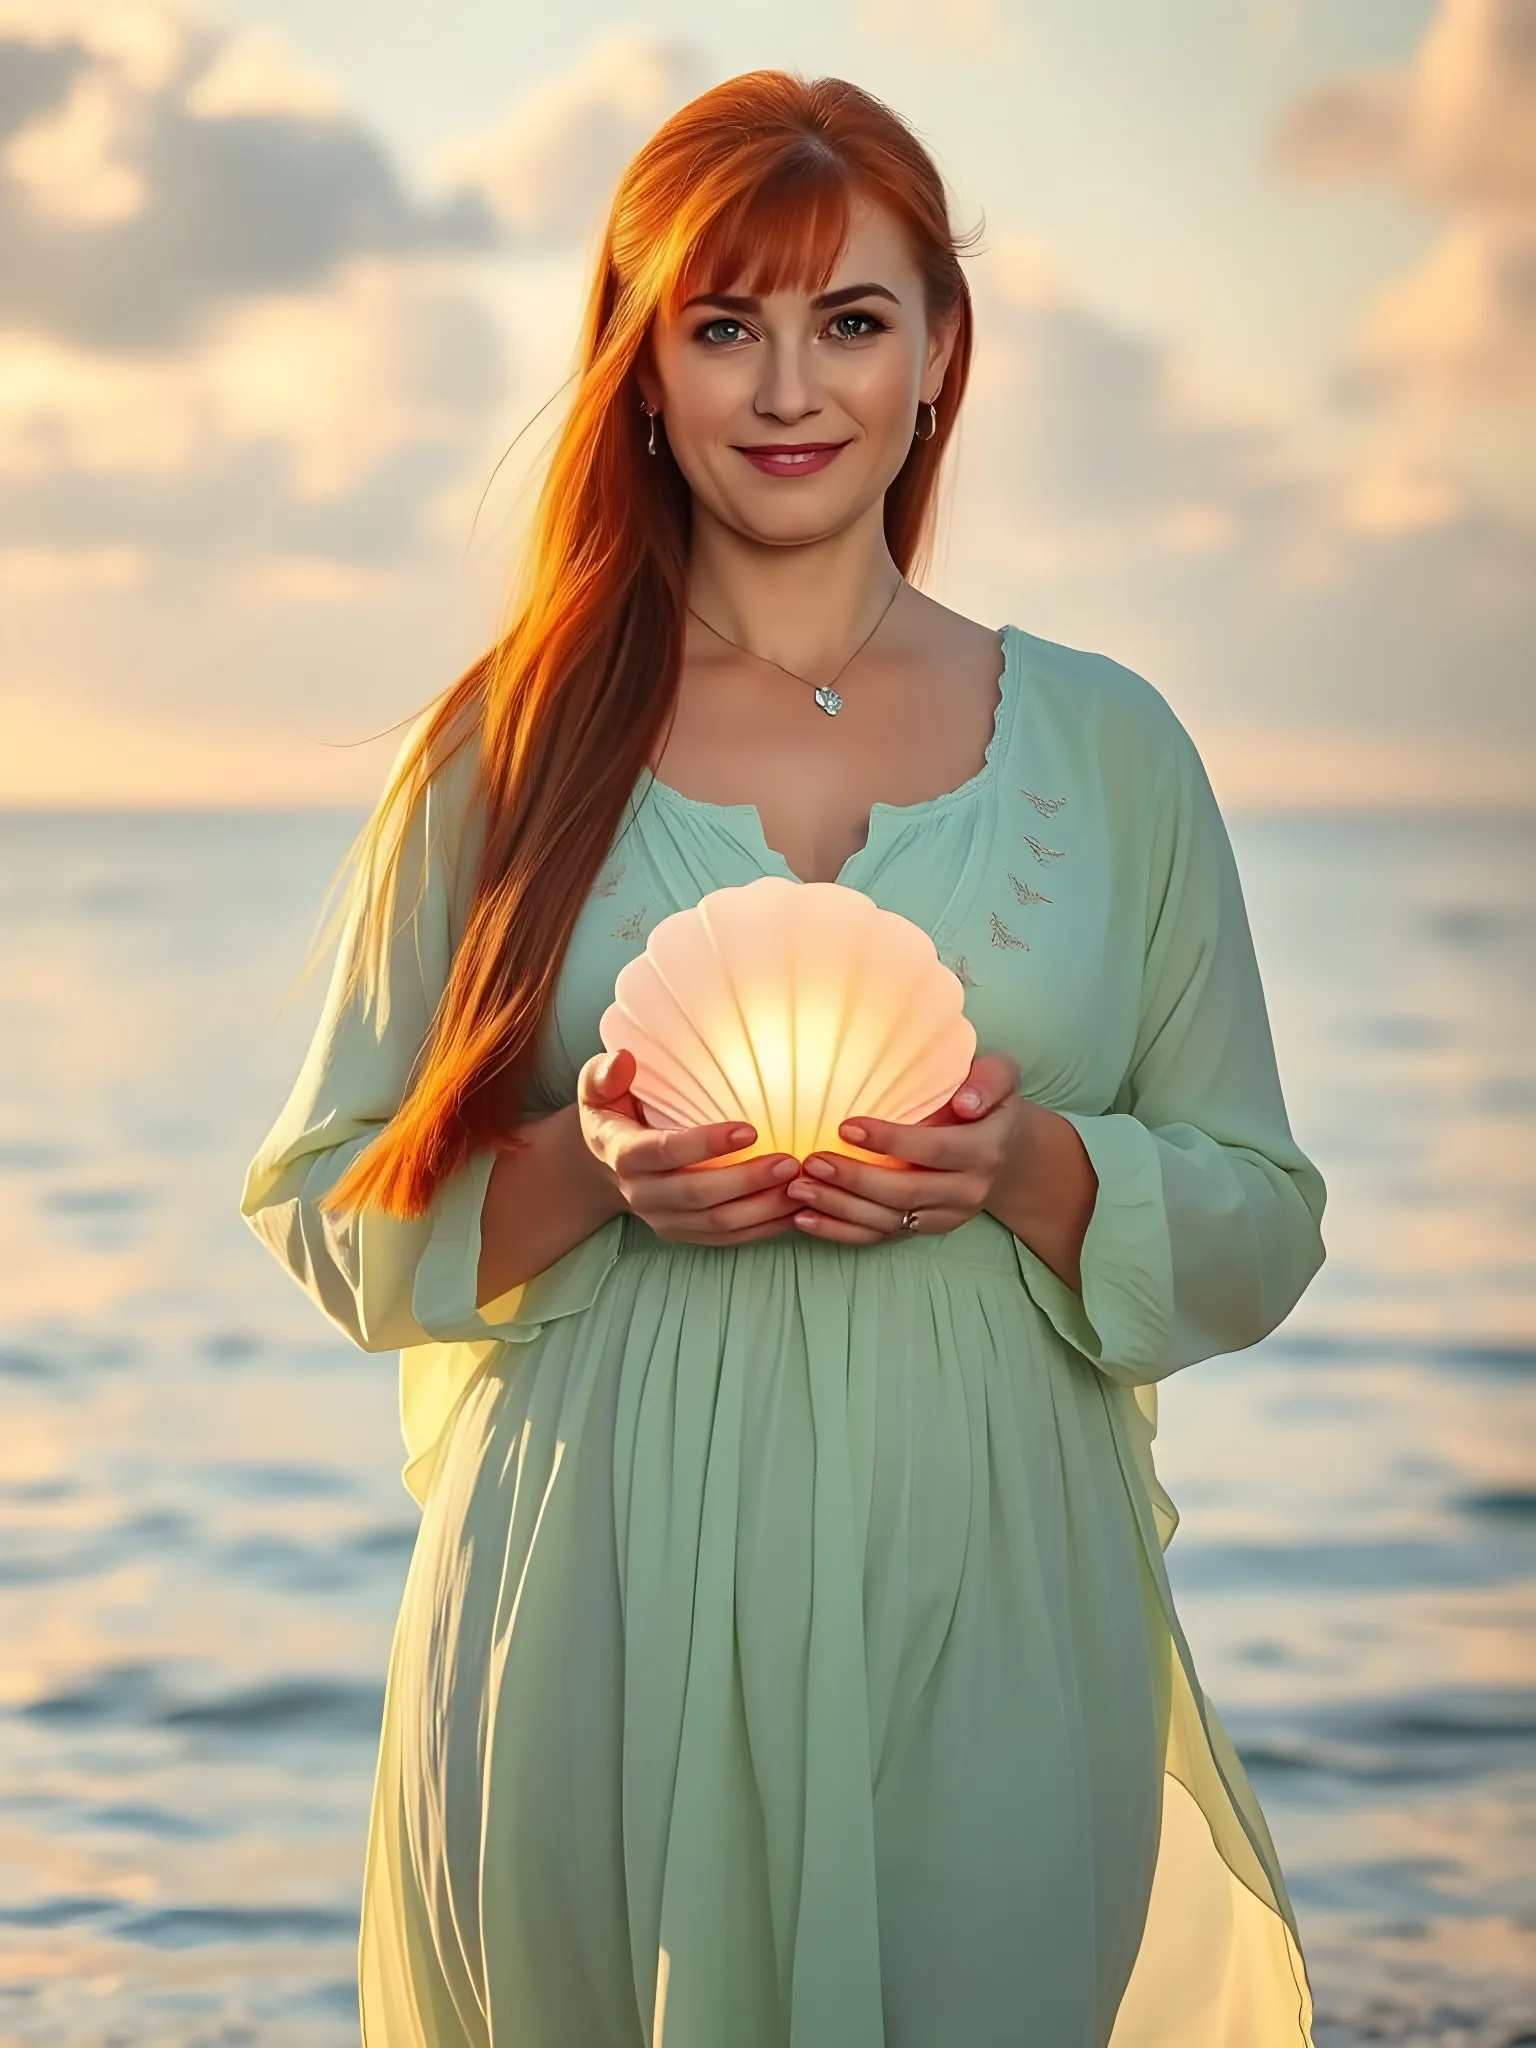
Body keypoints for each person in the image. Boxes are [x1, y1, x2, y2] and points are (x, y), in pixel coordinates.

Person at [240, 68, 1328, 2048]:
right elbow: (330, 1211)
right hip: (590, 1603)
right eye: (722, 324)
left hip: (992, 1601)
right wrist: (589, 1173)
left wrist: (1032, 1171)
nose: (787, 384)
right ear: (641, 370)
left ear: (938, 359)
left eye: (851, 318)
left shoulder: (1112, 748)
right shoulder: (505, 747)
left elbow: (1261, 1220)